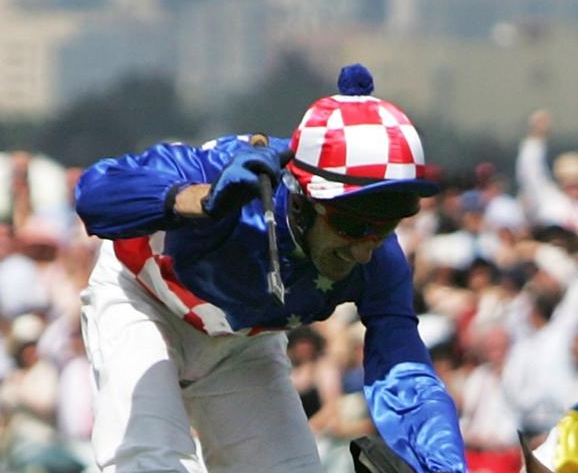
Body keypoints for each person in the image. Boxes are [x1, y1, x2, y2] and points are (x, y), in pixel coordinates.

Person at [75, 63, 467, 473]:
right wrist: (202, 200)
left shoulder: (381, 259)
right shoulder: (229, 166)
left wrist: (443, 466)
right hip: (143, 301)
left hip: (241, 343)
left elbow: (404, 373)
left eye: (386, 225)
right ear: (301, 198)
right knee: (150, 461)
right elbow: (93, 194)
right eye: (351, 224)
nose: (365, 251)